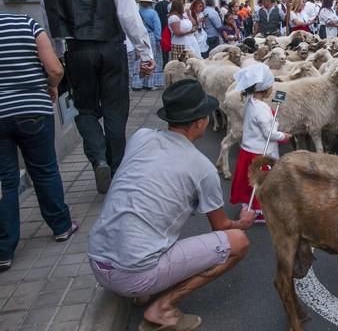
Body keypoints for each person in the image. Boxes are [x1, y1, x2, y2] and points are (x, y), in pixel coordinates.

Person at [87, 79, 255, 330]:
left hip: (97, 259)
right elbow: (220, 227)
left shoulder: (141, 136)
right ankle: (162, 308)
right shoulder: (202, 168)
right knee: (238, 242)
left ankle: (141, 287)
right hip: (131, 272)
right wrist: (242, 222)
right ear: (200, 122)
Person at [41, 0, 154, 193]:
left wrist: (54, 55)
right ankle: (116, 168)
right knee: (115, 111)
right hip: (111, 49)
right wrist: (145, 54)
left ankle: (99, 158)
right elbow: (129, 17)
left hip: (76, 50)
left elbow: (48, 16)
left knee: (86, 109)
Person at [0, 12, 78, 273]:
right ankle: (61, 226)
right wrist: (51, 85)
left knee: (4, 181)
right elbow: (55, 68)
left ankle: (4, 250)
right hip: (33, 107)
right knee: (44, 170)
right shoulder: (25, 24)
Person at [230, 64, 291, 221]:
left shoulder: (251, 102)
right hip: (260, 152)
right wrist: (283, 136)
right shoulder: (261, 109)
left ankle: (248, 205)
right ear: (265, 89)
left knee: (249, 181)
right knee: (262, 181)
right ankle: (258, 211)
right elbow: (268, 133)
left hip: (248, 149)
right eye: (271, 86)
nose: (272, 89)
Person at [138, 0, 164, 89]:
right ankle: (151, 83)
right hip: (151, 36)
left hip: (140, 37)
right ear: (150, 3)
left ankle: (140, 83)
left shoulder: (138, 12)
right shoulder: (153, 13)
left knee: (143, 58)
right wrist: (158, 39)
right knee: (154, 58)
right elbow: (157, 27)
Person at [156, 0, 176, 66]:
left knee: (164, 49)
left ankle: (165, 64)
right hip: (169, 28)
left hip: (161, 28)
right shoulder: (171, 5)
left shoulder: (158, 4)